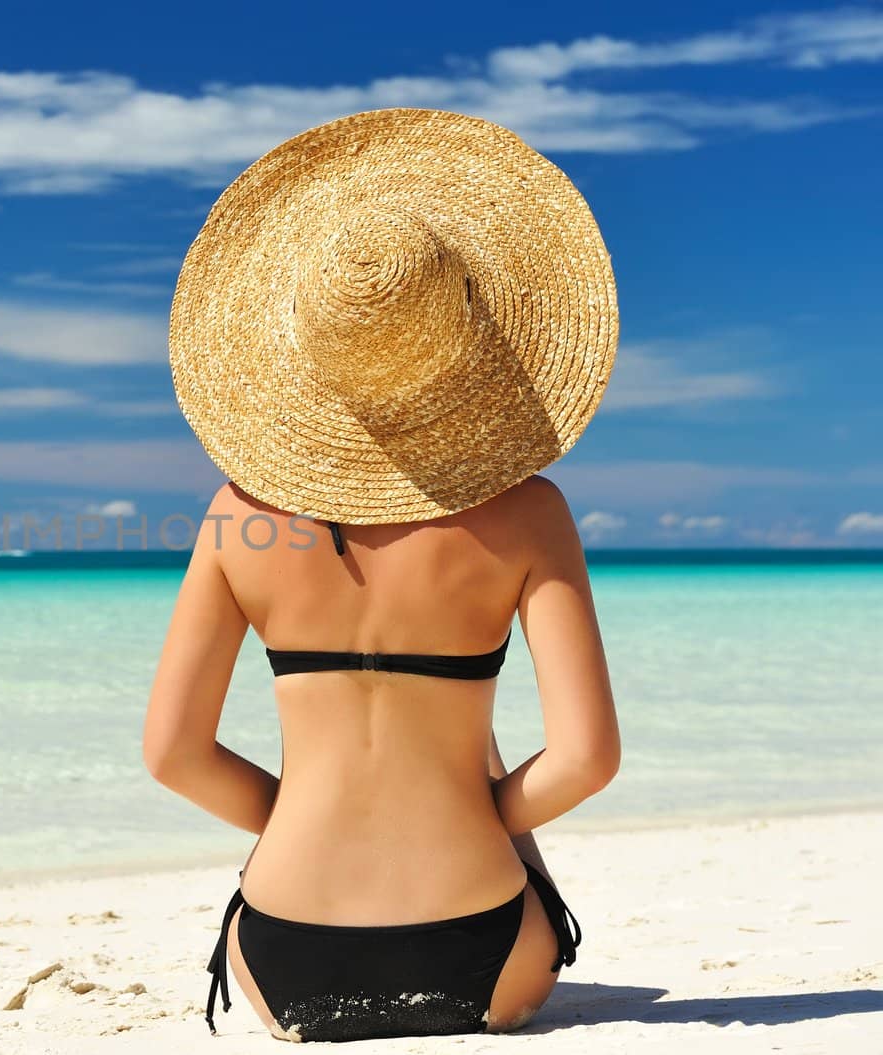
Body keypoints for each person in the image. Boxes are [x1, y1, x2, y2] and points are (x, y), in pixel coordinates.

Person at [143, 107, 622, 1042]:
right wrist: (478, 813)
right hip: (478, 946)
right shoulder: (530, 515)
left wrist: (300, 820)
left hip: (287, 952)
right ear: (479, 336)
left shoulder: (237, 517)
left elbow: (173, 756)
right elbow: (587, 759)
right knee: (472, 745)